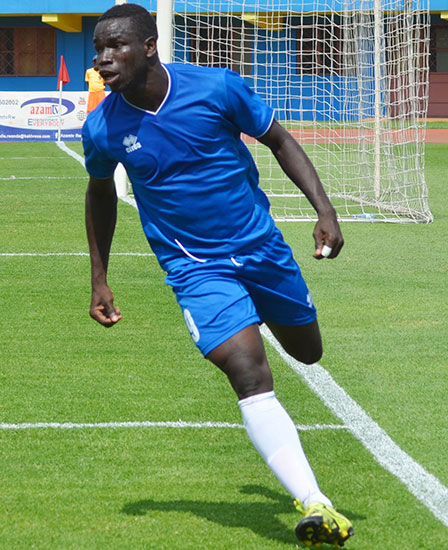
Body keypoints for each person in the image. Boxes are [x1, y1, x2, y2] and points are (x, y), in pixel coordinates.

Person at [82, 5, 353, 547]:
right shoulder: (102, 126)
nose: (104, 59)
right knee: (248, 372)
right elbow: (99, 194)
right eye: (98, 50)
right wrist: (99, 276)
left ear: (150, 46)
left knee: (308, 351)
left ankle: (268, 314)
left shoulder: (217, 88)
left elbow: (280, 141)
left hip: (262, 249)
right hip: (194, 267)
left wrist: (325, 211)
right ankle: (315, 502)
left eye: (117, 47)